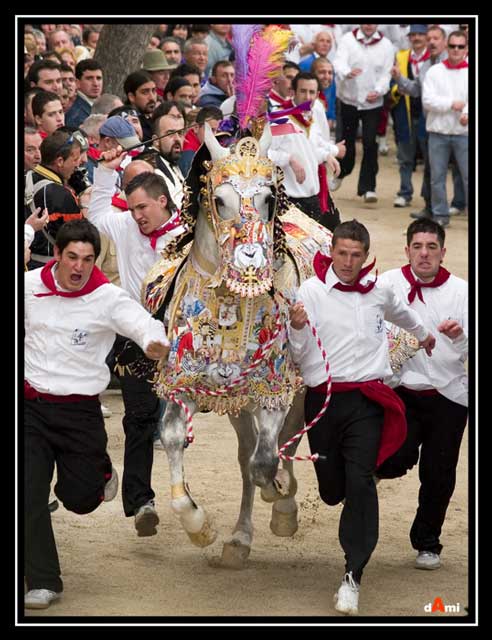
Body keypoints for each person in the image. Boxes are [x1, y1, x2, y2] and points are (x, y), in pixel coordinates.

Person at [288, 219, 435, 615]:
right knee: (333, 489)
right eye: (342, 254)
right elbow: (299, 353)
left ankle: (353, 574)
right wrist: (298, 328)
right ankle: (342, 489)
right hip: (323, 402)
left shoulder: (379, 291)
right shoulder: (311, 292)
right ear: (331, 252)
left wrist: (425, 334)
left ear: (366, 256)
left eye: (356, 255)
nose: (349, 262)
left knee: (360, 482)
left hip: (368, 400)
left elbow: (404, 313)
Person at [24, 219, 169, 610]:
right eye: (72, 257)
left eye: (88, 259)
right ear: (57, 254)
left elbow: (141, 323)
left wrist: (154, 341)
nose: (79, 267)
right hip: (32, 408)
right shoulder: (29, 287)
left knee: (80, 499)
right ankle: (42, 580)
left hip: (81, 413)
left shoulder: (108, 297)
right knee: (27, 493)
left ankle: (102, 473)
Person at [87, 149, 186, 536]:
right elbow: (96, 215)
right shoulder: (126, 226)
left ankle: (182, 487)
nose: (137, 215)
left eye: (143, 207)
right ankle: (141, 501)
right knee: (140, 419)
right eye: (131, 208)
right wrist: (103, 170)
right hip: (134, 333)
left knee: (176, 421)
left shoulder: (187, 234)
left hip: (180, 335)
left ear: (163, 201)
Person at [376, 219, 468, 570]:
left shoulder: (461, 291)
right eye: (418, 246)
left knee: (439, 473)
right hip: (402, 391)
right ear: (407, 251)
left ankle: (427, 541)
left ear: (443, 252)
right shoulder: (386, 284)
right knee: (394, 458)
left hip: (449, 396)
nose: (424, 254)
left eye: (432, 247)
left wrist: (458, 336)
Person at [332, 25, 394, 202]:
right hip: (348, 99)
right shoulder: (347, 40)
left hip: (372, 102)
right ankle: (341, 172)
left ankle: (368, 187)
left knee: (369, 142)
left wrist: (379, 90)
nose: (368, 25)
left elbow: (386, 73)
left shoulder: (386, 45)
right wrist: (347, 72)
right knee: (347, 140)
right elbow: (338, 62)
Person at [421, 30, 468, 228]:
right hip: (438, 132)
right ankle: (440, 214)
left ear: (466, 49)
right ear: (447, 48)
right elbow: (427, 100)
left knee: (469, 176)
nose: (456, 50)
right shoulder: (435, 71)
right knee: (437, 177)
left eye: (460, 46)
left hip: (464, 133)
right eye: (453, 46)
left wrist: (467, 111)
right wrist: (451, 104)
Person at [65, 59, 104, 128]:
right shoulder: (75, 117)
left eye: (98, 78)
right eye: (89, 78)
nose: (96, 83)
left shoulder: (101, 106)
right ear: (77, 83)